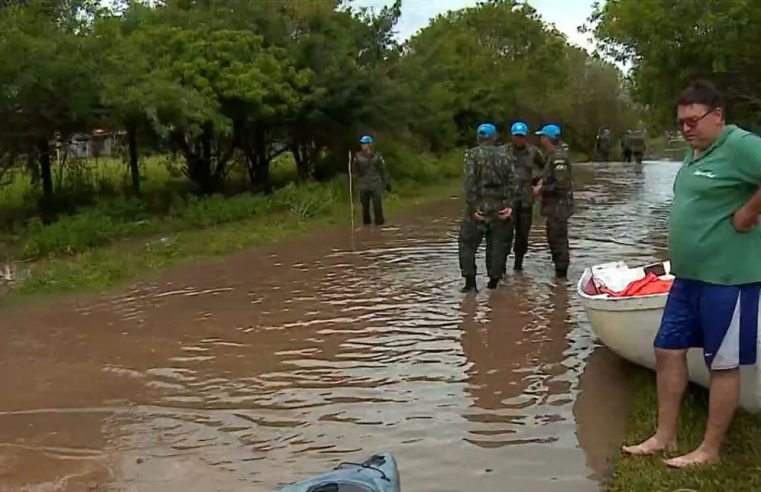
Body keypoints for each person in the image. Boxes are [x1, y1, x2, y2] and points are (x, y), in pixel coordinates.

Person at [622, 79, 761, 468]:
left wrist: (750, 212)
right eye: (681, 122)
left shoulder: (739, 146)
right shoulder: (696, 151)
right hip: (688, 279)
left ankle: (709, 450)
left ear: (718, 116)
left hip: (729, 279)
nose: (685, 129)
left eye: (692, 121)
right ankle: (664, 437)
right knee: (666, 350)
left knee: (723, 363)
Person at [458, 123, 518, 292]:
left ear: (478, 137)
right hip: (500, 206)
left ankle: (470, 284)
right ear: (495, 138)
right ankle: (493, 283)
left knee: (467, 244)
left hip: (479, 207)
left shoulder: (472, 155)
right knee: (497, 245)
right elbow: (514, 182)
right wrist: (510, 206)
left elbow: (470, 183)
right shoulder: (506, 156)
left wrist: (473, 207)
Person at [501, 121, 546, 272]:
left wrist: (539, 184)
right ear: (512, 136)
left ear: (525, 136)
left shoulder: (534, 152)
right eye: (516, 136)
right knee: (505, 233)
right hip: (507, 200)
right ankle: (501, 267)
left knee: (523, 234)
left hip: (526, 199)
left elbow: (547, 169)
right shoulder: (503, 151)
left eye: (521, 136)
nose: (518, 139)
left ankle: (518, 265)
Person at [533, 124, 574, 278]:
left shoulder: (558, 158)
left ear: (547, 138)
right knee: (554, 238)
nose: (541, 139)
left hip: (559, 207)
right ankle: (559, 276)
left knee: (558, 241)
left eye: (542, 136)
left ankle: (561, 277)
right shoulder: (552, 155)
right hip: (554, 206)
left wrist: (541, 189)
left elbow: (561, 184)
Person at [352, 135, 391, 226]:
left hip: (375, 183)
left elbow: (383, 170)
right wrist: (354, 180)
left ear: (370, 144)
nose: (362, 145)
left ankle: (379, 225)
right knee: (365, 207)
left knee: (377, 206)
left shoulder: (378, 156)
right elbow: (355, 171)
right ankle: (367, 226)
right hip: (363, 184)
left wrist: (386, 182)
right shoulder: (357, 156)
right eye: (362, 143)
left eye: (364, 143)